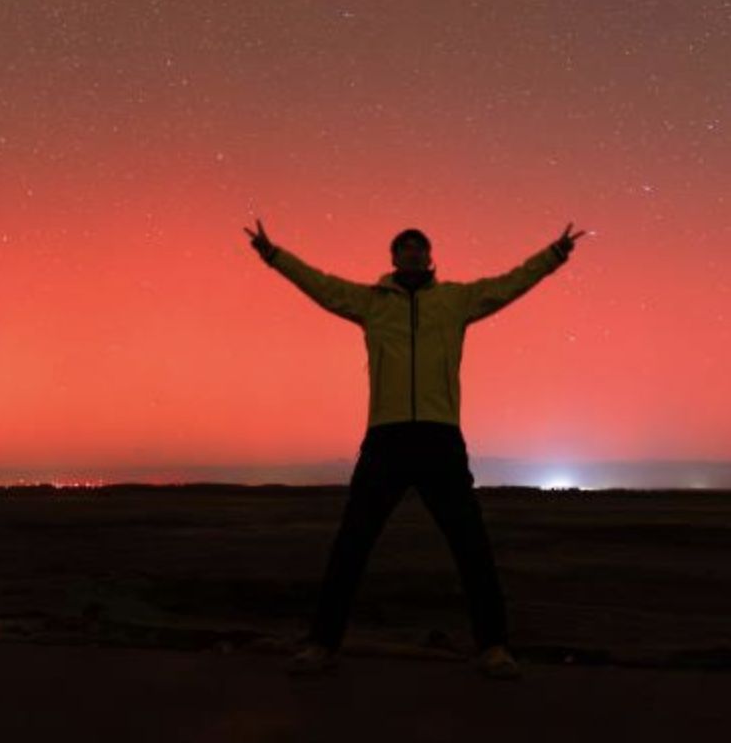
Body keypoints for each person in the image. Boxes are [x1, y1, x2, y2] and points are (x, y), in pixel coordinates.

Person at [243, 218, 586, 679]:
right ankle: (322, 644)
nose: (411, 254)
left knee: (471, 546)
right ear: (393, 258)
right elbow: (321, 286)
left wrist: (552, 257)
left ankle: (494, 647)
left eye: (418, 247)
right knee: (352, 544)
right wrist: (275, 256)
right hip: (386, 437)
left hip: (439, 438)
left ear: (430, 257)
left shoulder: (455, 301)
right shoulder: (370, 303)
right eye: (403, 248)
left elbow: (508, 285)